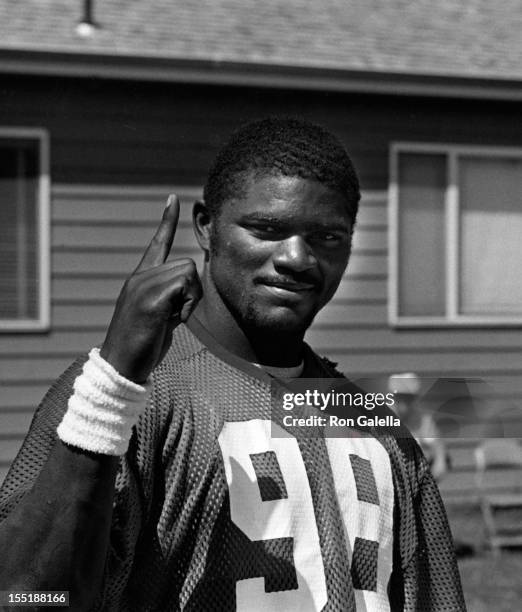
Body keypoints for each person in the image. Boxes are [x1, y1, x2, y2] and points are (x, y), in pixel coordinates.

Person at [0, 117, 466, 611]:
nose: (296, 258)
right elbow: (23, 598)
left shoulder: (376, 427)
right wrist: (113, 385)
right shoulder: (125, 393)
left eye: (327, 237)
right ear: (207, 226)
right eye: (267, 229)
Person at [388, 373, 449, 482]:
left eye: (408, 398)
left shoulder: (422, 420)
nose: (404, 403)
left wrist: (440, 462)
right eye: (399, 397)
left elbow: (437, 449)